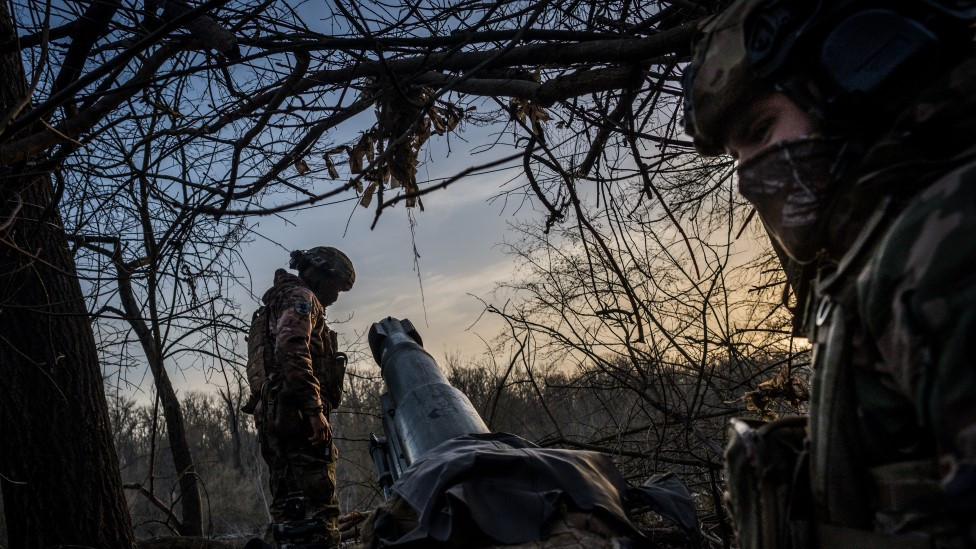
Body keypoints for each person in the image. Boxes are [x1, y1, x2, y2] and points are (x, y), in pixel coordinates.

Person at [682, 1, 976, 548]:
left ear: (859, 71)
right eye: (735, 156)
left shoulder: (945, 239)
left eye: (762, 129)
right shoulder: (877, 249)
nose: (748, 177)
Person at [243, 246, 355, 547]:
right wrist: (314, 410)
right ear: (321, 276)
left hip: (279, 417)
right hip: (297, 421)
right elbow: (291, 349)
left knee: (290, 514)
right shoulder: (302, 299)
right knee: (319, 517)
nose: (337, 296)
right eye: (337, 286)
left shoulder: (278, 302)